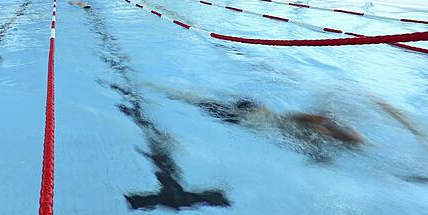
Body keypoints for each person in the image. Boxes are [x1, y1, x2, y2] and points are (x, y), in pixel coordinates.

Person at [147, 84, 365, 157]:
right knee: (199, 102)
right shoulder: (317, 136)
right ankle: (164, 91)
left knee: (202, 100)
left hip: (257, 110)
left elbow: (294, 117)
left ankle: (167, 91)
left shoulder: (318, 128)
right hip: (250, 118)